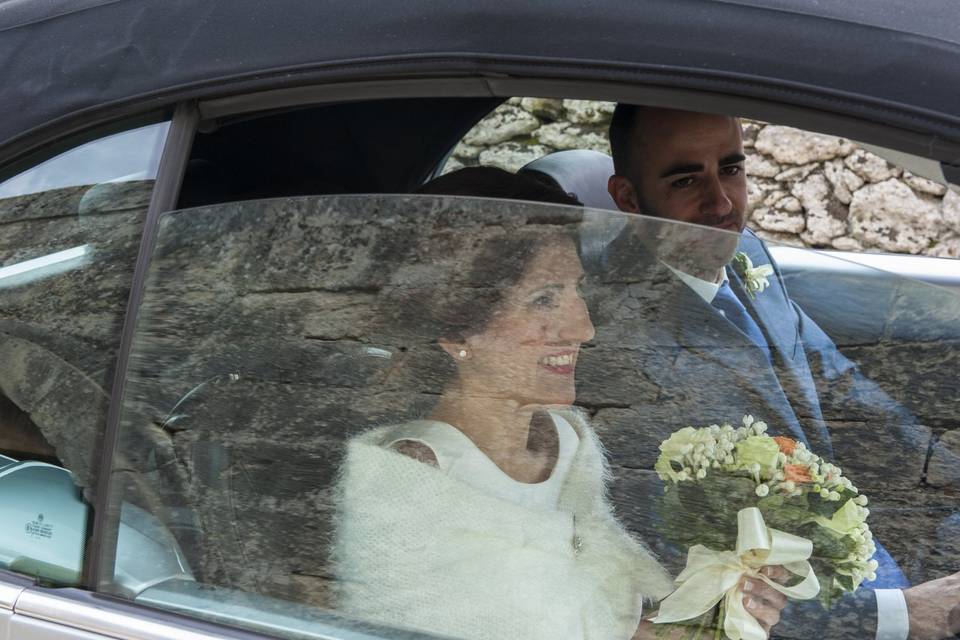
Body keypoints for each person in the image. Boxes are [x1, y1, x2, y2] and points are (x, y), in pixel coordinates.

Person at [332, 167, 789, 640]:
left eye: (577, 290)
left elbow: (606, 616)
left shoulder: (565, 438)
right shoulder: (408, 482)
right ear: (456, 329)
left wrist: (720, 611)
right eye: (544, 300)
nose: (583, 328)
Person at [600, 104, 960, 640]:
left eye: (730, 168)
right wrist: (902, 615)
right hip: (789, 602)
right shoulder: (611, 335)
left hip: (849, 533)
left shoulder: (747, 252)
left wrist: (949, 478)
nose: (721, 202)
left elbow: (844, 391)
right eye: (685, 179)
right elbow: (694, 569)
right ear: (629, 199)